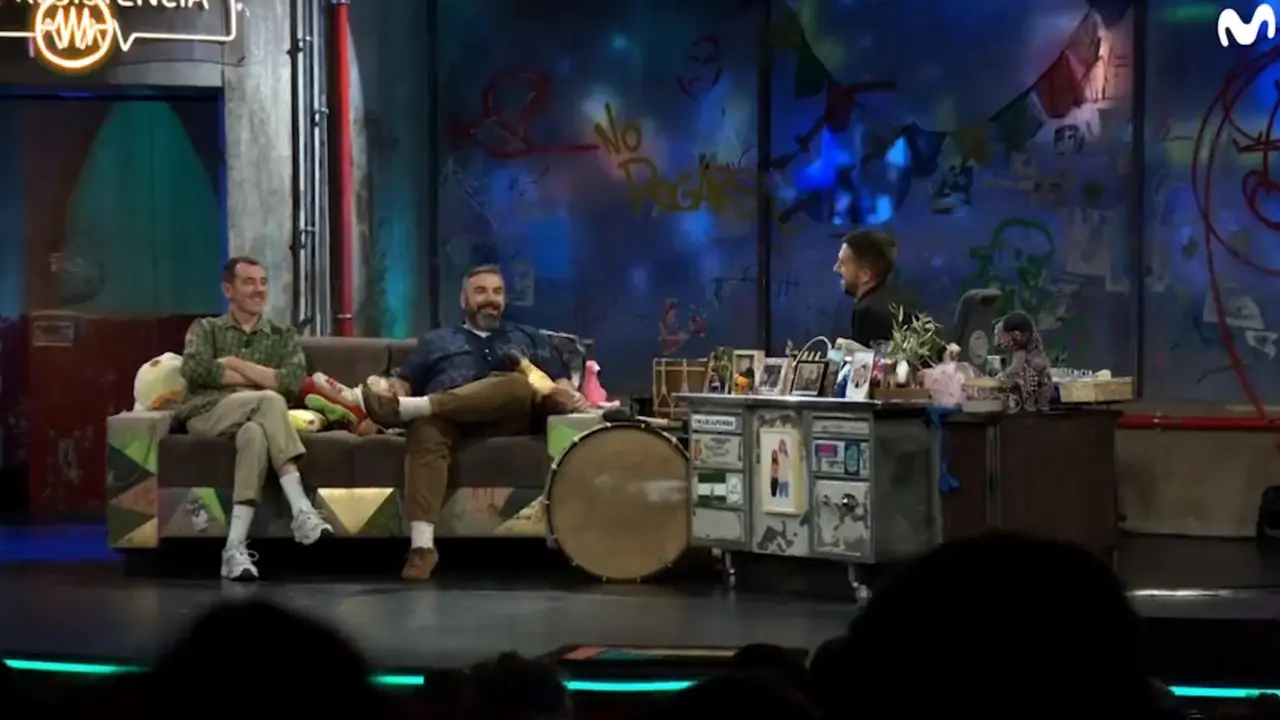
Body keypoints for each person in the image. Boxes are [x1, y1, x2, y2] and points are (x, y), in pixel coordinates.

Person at [358, 265, 587, 581]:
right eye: (480, 292)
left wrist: (571, 397)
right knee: (425, 428)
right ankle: (422, 547)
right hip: (450, 424)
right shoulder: (437, 340)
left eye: (497, 292)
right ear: (464, 300)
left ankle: (419, 408)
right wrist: (392, 393)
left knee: (517, 383)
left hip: (510, 417)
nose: (490, 299)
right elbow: (405, 382)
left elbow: (560, 382)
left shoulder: (527, 337)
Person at [178, 256, 332, 581]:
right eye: (248, 282)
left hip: (254, 418)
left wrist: (235, 364)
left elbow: (291, 381)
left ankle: (234, 549)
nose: (259, 289)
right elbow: (195, 369)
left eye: (263, 282)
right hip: (208, 412)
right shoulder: (206, 329)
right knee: (269, 399)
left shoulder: (282, 335)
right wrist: (264, 379)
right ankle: (301, 509)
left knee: (255, 435)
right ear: (228, 290)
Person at [834, 228, 920, 347]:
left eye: (843, 264)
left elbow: (868, 359)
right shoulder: (901, 298)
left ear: (864, 275)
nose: (836, 268)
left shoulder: (868, 312)